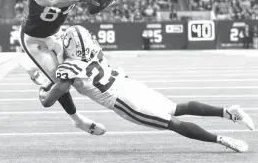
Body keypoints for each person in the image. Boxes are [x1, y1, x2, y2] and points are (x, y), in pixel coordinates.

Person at [39, 25, 255, 152]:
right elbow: (81, 57)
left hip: (122, 100)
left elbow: (51, 99)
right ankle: (227, 112)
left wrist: (43, 92)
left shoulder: (67, 68)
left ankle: (222, 140)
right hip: (129, 84)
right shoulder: (95, 50)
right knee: (177, 109)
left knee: (173, 123)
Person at [19, 0, 118, 135]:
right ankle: (77, 119)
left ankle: (41, 75)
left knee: (72, 75)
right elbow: (52, 0)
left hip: (55, 34)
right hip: (33, 40)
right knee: (62, 81)